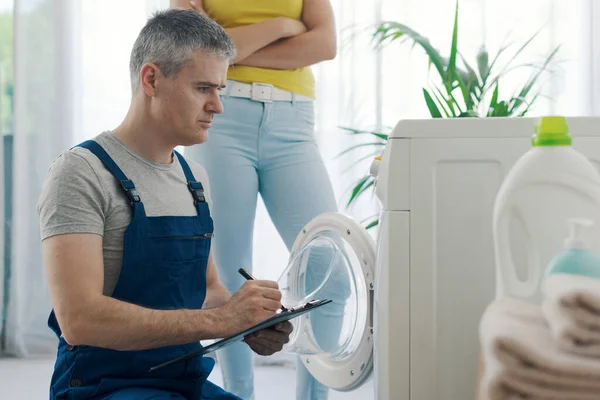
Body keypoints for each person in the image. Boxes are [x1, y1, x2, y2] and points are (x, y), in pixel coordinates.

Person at [37, 9, 292, 400]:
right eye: (203, 88)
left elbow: (208, 290)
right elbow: (79, 319)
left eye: (220, 90)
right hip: (101, 387)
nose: (217, 106)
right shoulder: (80, 172)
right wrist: (220, 320)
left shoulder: (196, 180)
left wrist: (248, 322)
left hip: (183, 383)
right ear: (151, 79)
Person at [170, 1, 340, 399]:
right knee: (227, 274)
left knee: (326, 260)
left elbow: (326, 44)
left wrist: (231, 50)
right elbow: (194, 46)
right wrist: (283, 24)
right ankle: (238, 394)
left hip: (293, 120)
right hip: (220, 114)